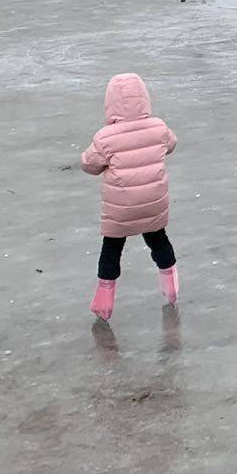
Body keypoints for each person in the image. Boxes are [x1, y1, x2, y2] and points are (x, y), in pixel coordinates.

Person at [80, 72, 180, 321]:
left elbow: (89, 165)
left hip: (121, 208)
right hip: (152, 202)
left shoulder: (105, 138)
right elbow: (171, 144)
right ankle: (171, 288)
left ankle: (104, 302)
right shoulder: (158, 127)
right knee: (159, 241)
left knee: (112, 249)